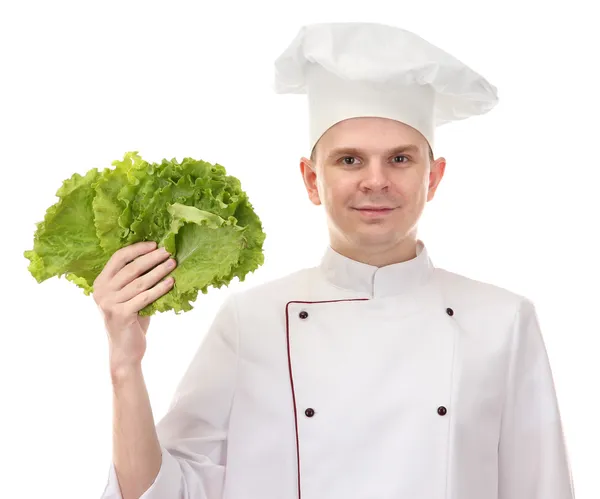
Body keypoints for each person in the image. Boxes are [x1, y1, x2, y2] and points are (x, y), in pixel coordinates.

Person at [99, 22, 575, 499]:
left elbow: (542, 488)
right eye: (349, 160)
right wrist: (125, 364)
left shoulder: (503, 320)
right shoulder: (251, 320)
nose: (376, 181)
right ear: (311, 179)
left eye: (401, 160)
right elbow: (161, 492)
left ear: (434, 178)